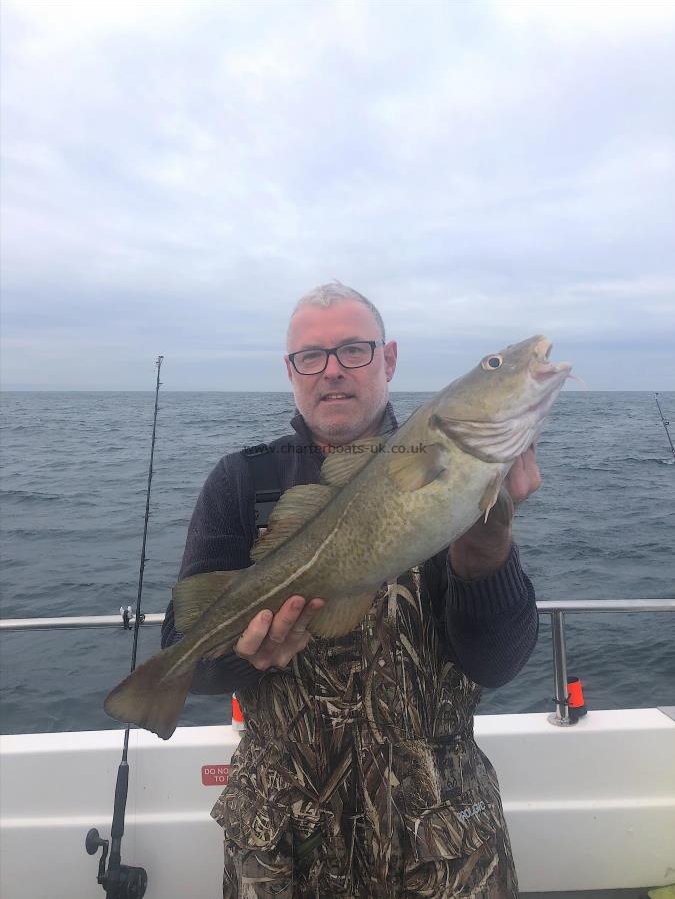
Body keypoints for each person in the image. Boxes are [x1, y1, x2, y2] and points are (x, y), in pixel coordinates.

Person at [162, 283, 542, 898]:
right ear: (291, 371)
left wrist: (486, 553)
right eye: (311, 356)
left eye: (354, 350)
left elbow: (497, 662)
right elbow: (186, 657)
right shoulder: (240, 480)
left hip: (442, 840)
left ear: (388, 360)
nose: (332, 370)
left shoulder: (447, 466)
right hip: (284, 841)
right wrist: (240, 657)